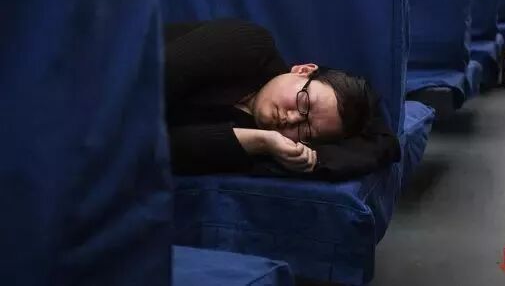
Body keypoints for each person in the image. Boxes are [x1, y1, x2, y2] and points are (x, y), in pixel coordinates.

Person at [164, 18, 400, 181]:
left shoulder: (257, 145)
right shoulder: (251, 46)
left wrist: (260, 141)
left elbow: (158, 152)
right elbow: (147, 82)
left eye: (305, 132)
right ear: (303, 70)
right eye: (304, 103)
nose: (292, 119)